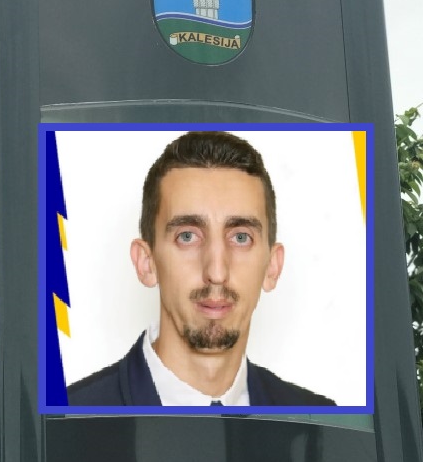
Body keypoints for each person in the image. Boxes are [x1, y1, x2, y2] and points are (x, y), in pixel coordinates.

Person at [67, 131, 335, 407]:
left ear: (272, 266)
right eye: (187, 236)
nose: (216, 273)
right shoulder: (66, 417)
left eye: (241, 237)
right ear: (146, 263)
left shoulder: (318, 416)